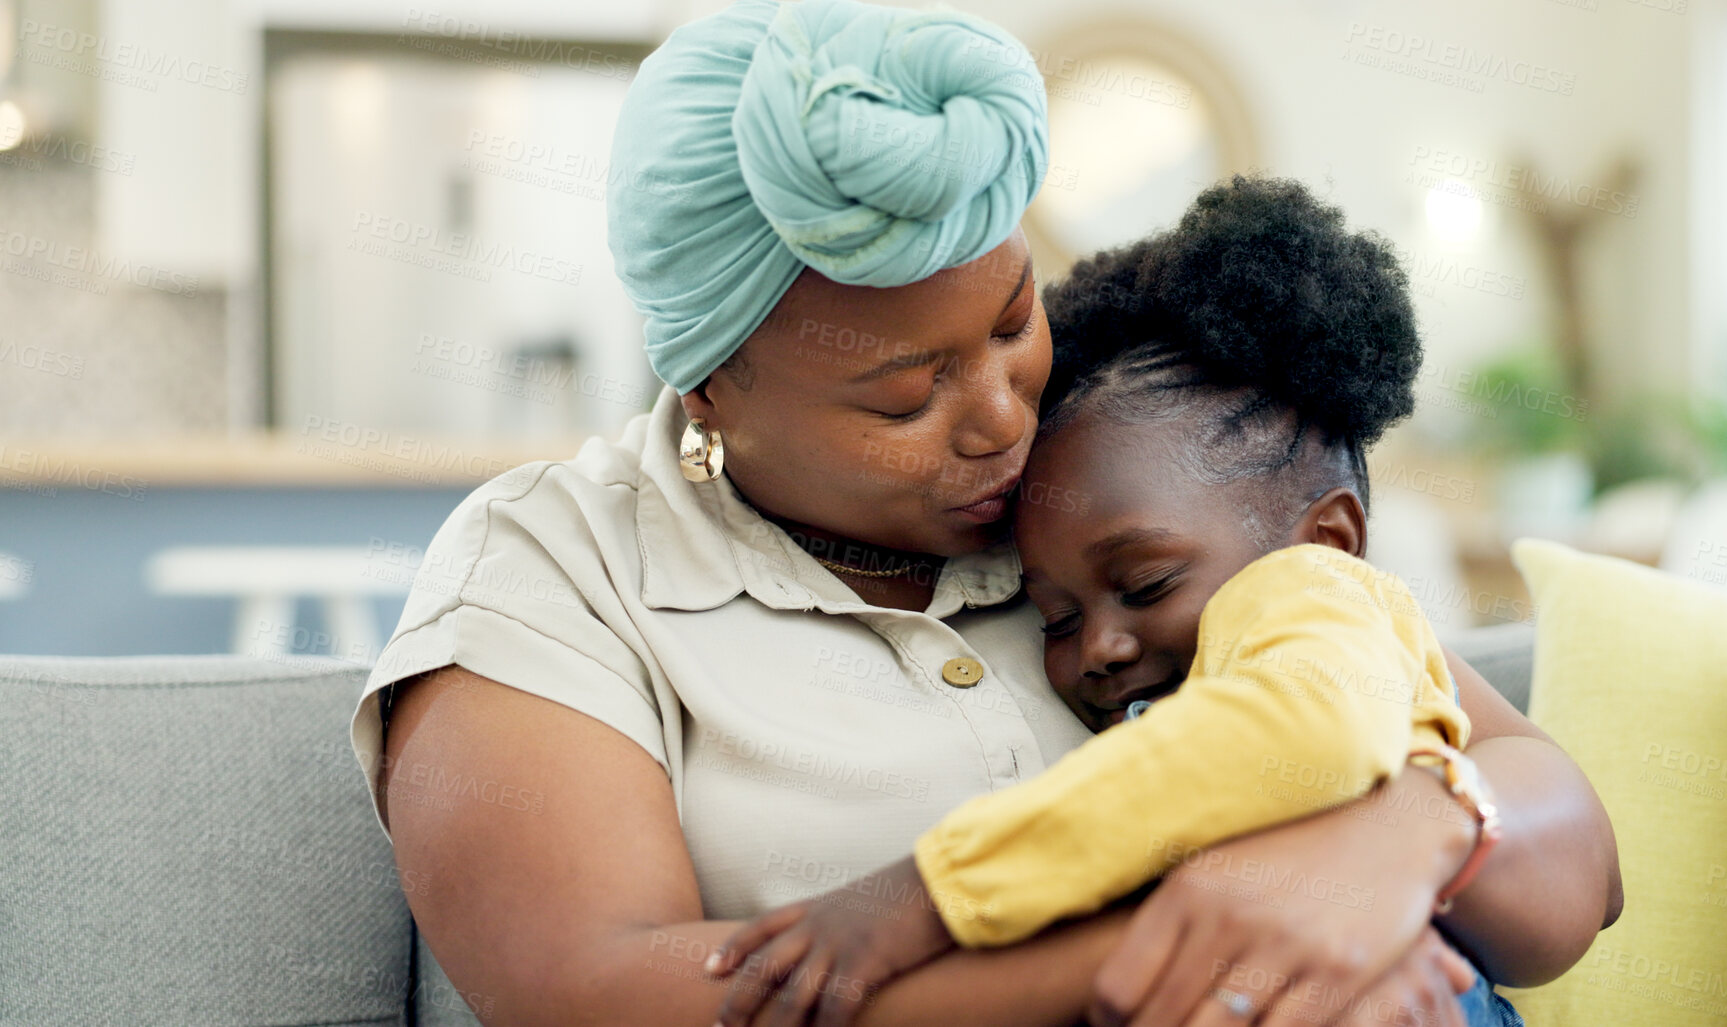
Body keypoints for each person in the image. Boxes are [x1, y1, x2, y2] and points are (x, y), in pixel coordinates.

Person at [351, 1, 1624, 1024]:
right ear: (712, 389)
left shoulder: (1114, 477)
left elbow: (1563, 842)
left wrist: (1397, 846)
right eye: (905, 396)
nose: (1002, 417)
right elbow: (590, 992)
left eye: (1016, 318)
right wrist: (1180, 940)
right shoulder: (561, 567)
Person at [705, 175, 1530, 1027]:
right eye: (1057, 618)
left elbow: (1301, 732)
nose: (1096, 646)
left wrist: (931, 891)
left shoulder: (1319, 595)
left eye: (1146, 585)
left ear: (1326, 539)